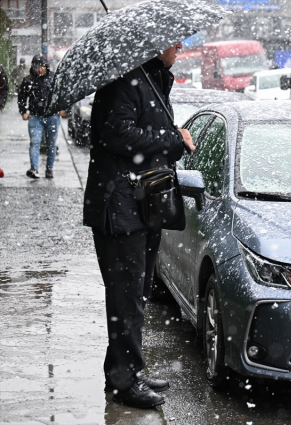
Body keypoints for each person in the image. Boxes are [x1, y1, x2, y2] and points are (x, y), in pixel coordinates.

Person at [84, 42, 195, 409]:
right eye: (174, 39)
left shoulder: (151, 77)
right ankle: (123, 383)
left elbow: (141, 132)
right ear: (153, 44)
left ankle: (127, 368)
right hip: (120, 208)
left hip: (143, 206)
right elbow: (115, 134)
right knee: (125, 298)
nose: (180, 44)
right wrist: (173, 139)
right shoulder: (125, 80)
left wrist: (169, 136)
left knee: (137, 294)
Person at [18, 55, 64, 179]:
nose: (40, 70)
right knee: (35, 142)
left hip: (52, 116)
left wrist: (63, 109)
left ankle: (49, 168)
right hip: (35, 116)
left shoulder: (54, 79)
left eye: (42, 67)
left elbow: (61, 94)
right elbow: (22, 97)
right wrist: (24, 111)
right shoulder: (28, 80)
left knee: (51, 144)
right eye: (37, 67)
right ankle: (34, 167)